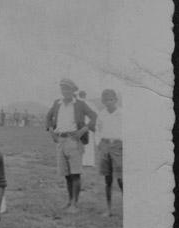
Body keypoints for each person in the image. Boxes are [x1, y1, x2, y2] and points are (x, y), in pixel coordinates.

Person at [46, 78, 97, 213]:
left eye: (68, 89)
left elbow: (94, 116)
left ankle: (75, 204)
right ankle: (69, 201)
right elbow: (48, 117)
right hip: (60, 141)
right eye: (63, 88)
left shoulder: (80, 104)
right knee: (66, 174)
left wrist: (83, 130)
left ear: (73, 90)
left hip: (74, 140)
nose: (65, 91)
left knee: (75, 173)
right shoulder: (57, 103)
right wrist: (51, 131)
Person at [96, 89, 123, 217]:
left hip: (118, 146)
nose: (109, 102)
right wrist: (99, 144)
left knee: (121, 179)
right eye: (106, 100)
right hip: (105, 145)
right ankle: (109, 209)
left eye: (111, 99)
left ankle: (129, 208)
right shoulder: (102, 114)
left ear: (115, 100)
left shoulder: (122, 113)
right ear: (103, 101)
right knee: (108, 179)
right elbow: (98, 130)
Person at [78, 91, 96, 167]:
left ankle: (82, 162)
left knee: (80, 144)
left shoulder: (77, 104)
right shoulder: (91, 104)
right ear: (85, 95)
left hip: (81, 127)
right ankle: (89, 162)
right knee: (89, 144)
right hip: (88, 126)